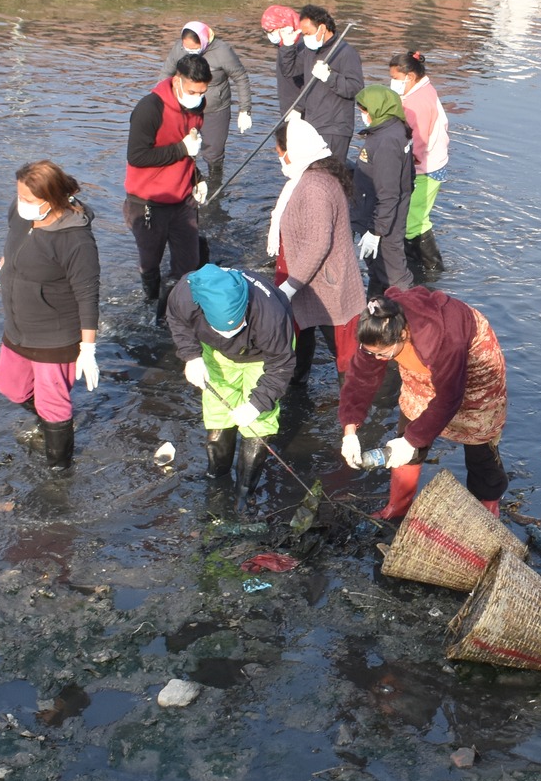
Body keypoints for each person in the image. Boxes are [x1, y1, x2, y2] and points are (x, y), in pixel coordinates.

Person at [339, 288, 507, 520]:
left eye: (382, 354)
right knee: (409, 423)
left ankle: (487, 507)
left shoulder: (445, 339)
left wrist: (412, 441)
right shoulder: (376, 327)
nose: (376, 359)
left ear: (402, 335)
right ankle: (398, 505)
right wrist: (349, 430)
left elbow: (449, 398)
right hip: (421, 359)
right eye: (371, 353)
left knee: (478, 436)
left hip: (471, 355)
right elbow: (360, 378)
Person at [0, 160, 100, 470]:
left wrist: (88, 348)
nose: (21, 203)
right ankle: (50, 421)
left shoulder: (76, 241)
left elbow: (87, 295)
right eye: (19, 195)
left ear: (53, 198)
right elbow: (13, 247)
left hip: (54, 336)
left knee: (53, 403)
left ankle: (59, 473)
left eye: (28, 199)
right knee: (12, 388)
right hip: (18, 327)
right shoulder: (20, 214)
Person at [165, 263, 295, 500]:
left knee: (258, 420)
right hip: (216, 353)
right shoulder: (185, 293)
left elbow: (281, 366)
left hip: (262, 358)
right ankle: (216, 476)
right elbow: (177, 320)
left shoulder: (271, 316)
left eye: (236, 327)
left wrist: (256, 405)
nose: (231, 334)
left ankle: (244, 491)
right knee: (218, 412)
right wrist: (191, 357)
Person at [269, 117, 365, 383]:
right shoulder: (319, 175)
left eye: (280, 152)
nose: (281, 159)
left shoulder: (313, 187)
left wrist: (290, 287)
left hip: (324, 284)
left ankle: (349, 403)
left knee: (343, 354)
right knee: (302, 336)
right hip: (313, 280)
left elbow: (317, 244)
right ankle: (301, 385)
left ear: (293, 150)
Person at [125, 51, 210, 315]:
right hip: (148, 203)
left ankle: (169, 318)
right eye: (193, 91)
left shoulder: (198, 106)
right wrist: (181, 149)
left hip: (183, 201)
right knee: (150, 264)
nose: (198, 97)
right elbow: (137, 156)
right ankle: (150, 306)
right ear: (177, 81)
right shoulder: (149, 109)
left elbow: (188, 150)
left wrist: (198, 177)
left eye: (202, 92)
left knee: (188, 265)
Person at [158, 21, 252, 187]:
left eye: (194, 49)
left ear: (203, 41)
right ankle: (184, 183)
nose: (189, 52)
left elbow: (240, 77)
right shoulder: (179, 48)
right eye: (186, 48)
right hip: (185, 108)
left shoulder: (222, 51)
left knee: (213, 152)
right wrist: (159, 101)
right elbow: (166, 73)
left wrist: (245, 109)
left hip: (214, 109)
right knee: (182, 147)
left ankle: (215, 184)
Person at [390, 51, 450, 276]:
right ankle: (420, 265)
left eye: (396, 78)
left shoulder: (417, 103)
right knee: (416, 216)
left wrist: (404, 164)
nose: (393, 82)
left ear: (410, 76)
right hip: (433, 162)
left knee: (415, 219)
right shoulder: (425, 90)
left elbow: (419, 141)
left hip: (425, 168)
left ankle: (432, 268)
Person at [281, 5, 364, 165]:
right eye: (303, 34)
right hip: (313, 124)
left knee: (329, 174)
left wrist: (330, 77)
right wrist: (288, 47)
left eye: (308, 33)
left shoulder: (346, 53)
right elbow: (290, 71)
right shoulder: (310, 51)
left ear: (322, 28)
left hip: (334, 128)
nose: (305, 38)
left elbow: (356, 89)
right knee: (312, 172)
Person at [352, 85, 414, 295]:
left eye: (364, 111)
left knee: (395, 275)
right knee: (378, 271)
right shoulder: (392, 129)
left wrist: (376, 231)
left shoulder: (386, 141)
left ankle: (409, 308)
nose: (363, 115)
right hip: (379, 213)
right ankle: (375, 305)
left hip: (383, 221)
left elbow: (388, 194)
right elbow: (408, 178)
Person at [260, 4, 300, 114]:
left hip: (298, 109)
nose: (269, 35)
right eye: (266, 32)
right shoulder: (283, 46)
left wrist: (298, 109)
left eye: (271, 31)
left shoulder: (300, 47)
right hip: (288, 106)